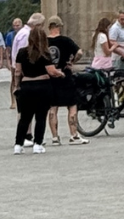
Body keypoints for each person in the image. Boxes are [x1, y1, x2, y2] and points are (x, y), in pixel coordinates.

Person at [12, 20, 62, 154]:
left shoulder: (22, 52)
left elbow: (17, 71)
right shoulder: (45, 53)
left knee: (25, 117)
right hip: (42, 85)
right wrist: (60, 73)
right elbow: (51, 71)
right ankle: (38, 144)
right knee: (41, 116)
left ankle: (18, 144)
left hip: (26, 86)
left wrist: (17, 85)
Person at [44, 14, 85, 147]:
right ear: (59, 27)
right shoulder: (66, 40)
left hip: (50, 77)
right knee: (72, 105)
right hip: (65, 75)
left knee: (52, 108)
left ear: (49, 27)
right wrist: (72, 61)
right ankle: (73, 135)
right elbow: (79, 52)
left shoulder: (44, 42)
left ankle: (55, 137)